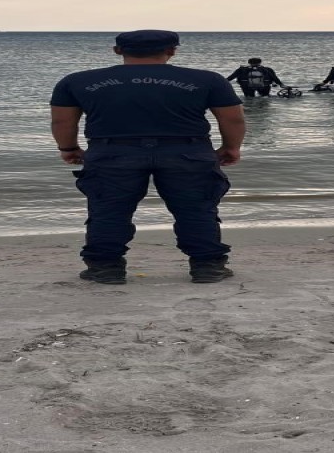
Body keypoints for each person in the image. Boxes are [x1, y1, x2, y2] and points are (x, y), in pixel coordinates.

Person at [49, 30, 245, 284]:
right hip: (187, 151)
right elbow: (232, 118)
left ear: (118, 51)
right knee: (196, 209)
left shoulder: (77, 81)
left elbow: (62, 121)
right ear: (172, 50)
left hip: (113, 152)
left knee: (109, 210)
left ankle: (105, 267)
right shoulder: (207, 80)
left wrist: (68, 148)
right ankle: (208, 266)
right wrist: (231, 147)